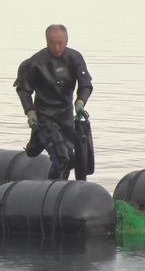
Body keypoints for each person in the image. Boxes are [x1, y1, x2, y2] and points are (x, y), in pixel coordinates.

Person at [14, 24, 93, 180]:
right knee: (62, 159)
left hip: (65, 117)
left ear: (67, 40)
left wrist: (80, 102)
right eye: (53, 43)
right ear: (46, 41)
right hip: (44, 116)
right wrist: (30, 112)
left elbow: (86, 84)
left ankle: (62, 191)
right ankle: (51, 193)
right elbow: (24, 90)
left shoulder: (75, 58)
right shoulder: (34, 63)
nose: (57, 47)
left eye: (60, 42)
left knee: (72, 159)